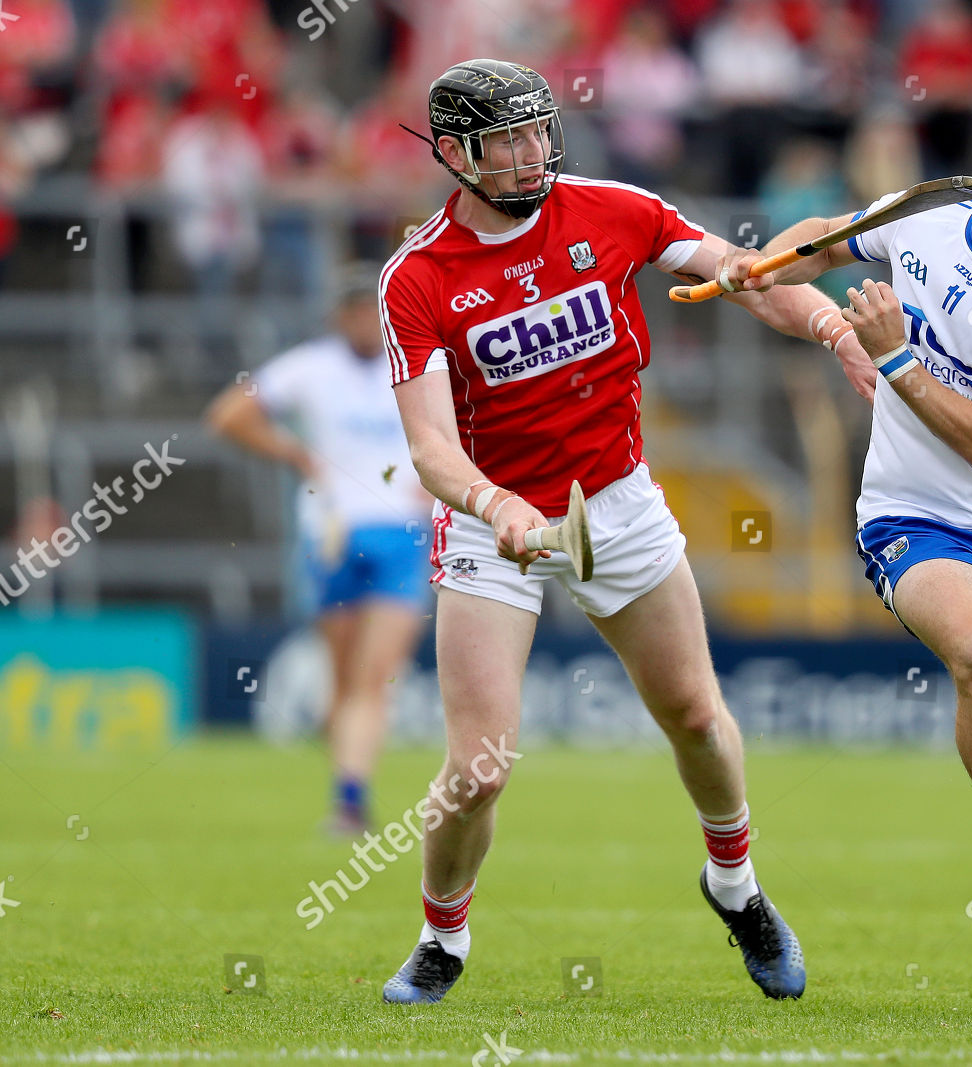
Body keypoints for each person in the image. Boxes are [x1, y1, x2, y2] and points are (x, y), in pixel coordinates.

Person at [377, 59, 873, 1005]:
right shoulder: (419, 278)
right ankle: (444, 936)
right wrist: (498, 508)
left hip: (617, 499)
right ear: (453, 154)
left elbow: (747, 275)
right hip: (494, 516)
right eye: (505, 141)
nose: (531, 155)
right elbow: (431, 449)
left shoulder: (613, 208)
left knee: (694, 714)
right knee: (480, 767)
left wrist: (831, 330)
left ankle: (737, 885)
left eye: (537, 132)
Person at [717, 103, 972, 966]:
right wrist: (768, 262)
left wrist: (895, 358)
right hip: (910, 514)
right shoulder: (927, 217)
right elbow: (826, 236)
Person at [205, 265, 432, 835]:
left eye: (371, 310)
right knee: (344, 678)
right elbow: (227, 415)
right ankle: (347, 787)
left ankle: (350, 798)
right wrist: (294, 454)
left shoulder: (421, 363)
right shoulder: (307, 367)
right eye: (354, 310)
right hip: (333, 537)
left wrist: (435, 482)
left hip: (404, 534)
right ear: (338, 316)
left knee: (375, 674)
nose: (364, 320)